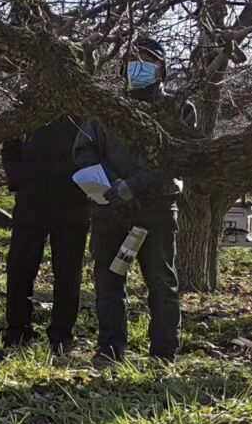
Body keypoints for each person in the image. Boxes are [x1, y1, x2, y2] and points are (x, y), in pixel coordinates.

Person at [74, 35, 195, 366]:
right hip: (110, 208)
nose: (138, 65)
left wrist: (133, 185)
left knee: (161, 282)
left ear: (161, 68)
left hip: (157, 208)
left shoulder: (179, 108)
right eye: (132, 59)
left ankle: (163, 356)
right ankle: (109, 350)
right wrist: (112, 184)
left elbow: (177, 159)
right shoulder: (105, 108)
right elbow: (83, 150)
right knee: (108, 281)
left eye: (147, 59)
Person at [0, 116, 90, 353]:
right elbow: (10, 144)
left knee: (68, 271)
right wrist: (20, 179)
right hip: (31, 199)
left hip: (74, 201)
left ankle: (62, 334)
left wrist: (86, 184)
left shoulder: (84, 105)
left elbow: (94, 146)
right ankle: (17, 330)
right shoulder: (28, 103)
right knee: (20, 267)